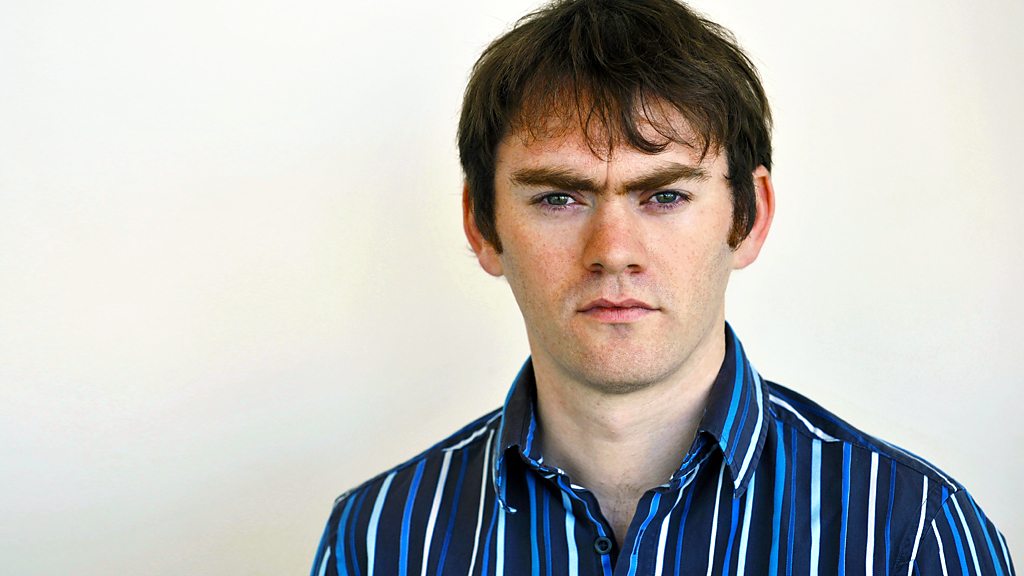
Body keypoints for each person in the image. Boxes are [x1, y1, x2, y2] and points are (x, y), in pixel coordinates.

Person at [311, 0, 1015, 574]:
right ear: (482, 225)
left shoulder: (910, 533)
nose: (613, 252)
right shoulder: (377, 540)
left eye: (665, 196)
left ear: (749, 217)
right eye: (559, 198)